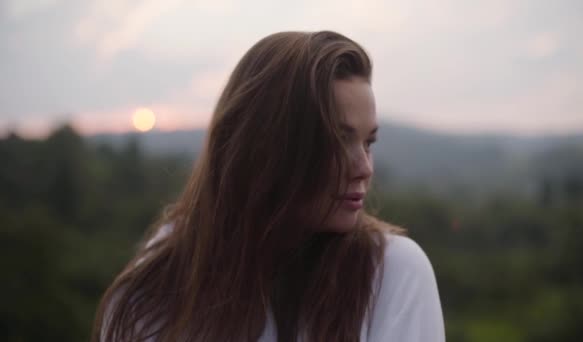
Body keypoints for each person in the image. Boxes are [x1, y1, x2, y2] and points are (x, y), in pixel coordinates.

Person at [92, 30, 444, 342]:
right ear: (267, 144)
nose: (364, 168)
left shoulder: (391, 273)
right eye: (338, 140)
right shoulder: (155, 290)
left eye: (369, 143)